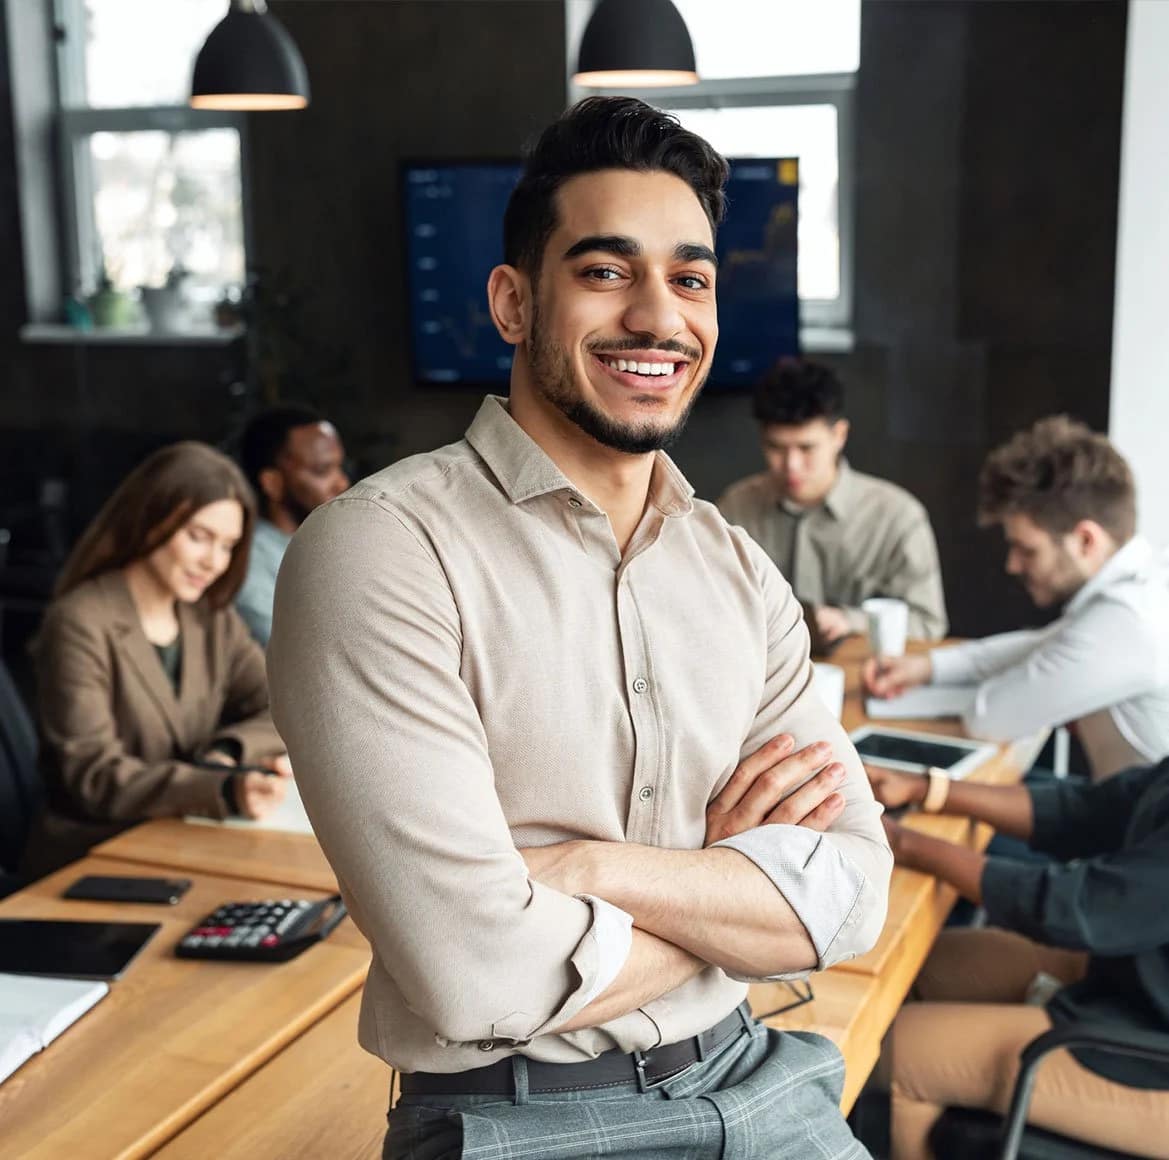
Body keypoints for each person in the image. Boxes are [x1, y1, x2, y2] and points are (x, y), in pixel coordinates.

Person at [269, 97, 890, 1159]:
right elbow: (474, 969)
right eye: (606, 271)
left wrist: (583, 868)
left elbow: (848, 898)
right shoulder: (379, 551)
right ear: (511, 302)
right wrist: (725, 882)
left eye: (688, 278)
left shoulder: (738, 569)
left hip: (757, 1075)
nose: (657, 316)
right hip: (518, 1118)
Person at [867, 761, 1169, 1158]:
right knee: (915, 967)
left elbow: (1070, 908)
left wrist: (903, 843)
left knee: (894, 1050)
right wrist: (925, 788)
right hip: (1128, 979)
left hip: (1150, 1050)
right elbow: (1090, 810)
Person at [23, 442, 291, 878]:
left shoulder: (211, 618)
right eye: (198, 537)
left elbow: (285, 701)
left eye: (227, 545)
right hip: (92, 856)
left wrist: (226, 752)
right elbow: (94, 776)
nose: (213, 562)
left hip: (188, 838)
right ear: (151, 518)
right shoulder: (80, 620)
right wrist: (221, 787)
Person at [865, 416, 1169, 781]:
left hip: (1137, 830)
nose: (1012, 565)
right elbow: (1044, 644)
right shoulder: (1141, 587)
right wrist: (927, 667)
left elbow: (990, 718)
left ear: (1086, 541)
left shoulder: (1127, 622)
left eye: (1027, 550)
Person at [718, 358, 947, 648]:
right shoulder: (736, 508)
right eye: (776, 448)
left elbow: (927, 623)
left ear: (839, 435)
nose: (791, 465)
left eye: (806, 447)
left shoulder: (897, 517)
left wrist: (850, 620)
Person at [236, 405, 349, 645]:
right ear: (272, 483)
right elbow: (293, 650)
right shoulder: (250, 559)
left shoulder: (333, 544)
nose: (341, 482)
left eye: (340, 467)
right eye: (322, 470)